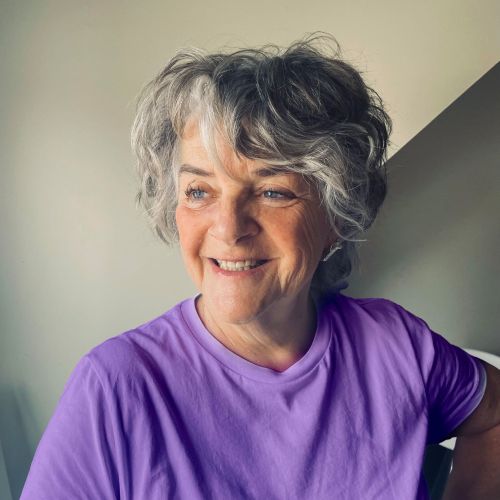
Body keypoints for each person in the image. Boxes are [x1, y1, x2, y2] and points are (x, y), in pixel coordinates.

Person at [20, 34, 500, 499]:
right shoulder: (115, 385)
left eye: (273, 191)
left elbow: (493, 416)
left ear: (336, 215)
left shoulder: (397, 345)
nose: (228, 228)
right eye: (199, 191)